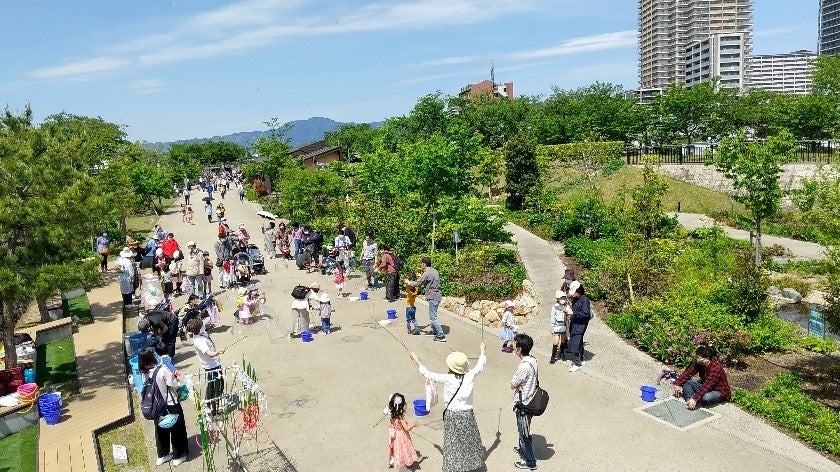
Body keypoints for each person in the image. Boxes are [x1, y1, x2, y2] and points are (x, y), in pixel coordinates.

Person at [409, 343, 487, 472]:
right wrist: (482, 351)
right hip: (467, 415)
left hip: (452, 415)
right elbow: (480, 365)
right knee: (468, 442)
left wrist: (415, 358)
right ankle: (468, 465)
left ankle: (454, 467)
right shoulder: (470, 375)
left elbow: (427, 373)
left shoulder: (447, 378)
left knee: (452, 443)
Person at [139, 350, 189, 467]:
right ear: (152, 357)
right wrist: (176, 377)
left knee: (161, 431)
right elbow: (174, 384)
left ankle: (162, 455)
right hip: (171, 404)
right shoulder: (161, 370)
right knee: (177, 430)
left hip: (157, 407)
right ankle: (179, 455)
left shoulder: (144, 373)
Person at [510, 333, 538, 470]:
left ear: (519, 349)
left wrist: (516, 385)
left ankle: (530, 461)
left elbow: (512, 384)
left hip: (523, 405)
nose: (513, 346)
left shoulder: (523, 367)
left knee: (524, 433)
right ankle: (522, 449)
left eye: (515, 344)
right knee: (523, 430)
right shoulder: (532, 360)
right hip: (531, 399)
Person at [407, 257, 446, 342]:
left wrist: (408, 282)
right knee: (433, 315)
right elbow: (428, 280)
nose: (421, 265)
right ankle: (433, 331)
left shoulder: (427, 273)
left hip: (433, 296)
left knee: (433, 317)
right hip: (437, 295)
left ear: (424, 264)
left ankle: (441, 335)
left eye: (421, 263)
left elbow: (418, 283)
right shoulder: (435, 271)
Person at [386, 393, 420, 471]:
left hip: (395, 435)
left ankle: (396, 460)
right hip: (401, 435)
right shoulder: (400, 416)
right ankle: (402, 467)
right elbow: (406, 428)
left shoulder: (391, 413)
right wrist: (413, 424)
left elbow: (393, 423)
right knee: (403, 449)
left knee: (397, 449)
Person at [567, 281, 591, 372]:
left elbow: (586, 313)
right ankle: (581, 359)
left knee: (575, 342)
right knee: (579, 341)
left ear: (579, 290)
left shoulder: (584, 300)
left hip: (580, 325)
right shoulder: (577, 299)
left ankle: (577, 363)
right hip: (575, 323)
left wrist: (573, 313)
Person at [550, 291, 570, 364]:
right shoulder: (555, 307)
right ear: (558, 298)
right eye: (561, 298)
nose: (563, 299)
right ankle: (553, 356)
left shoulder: (566, 306)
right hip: (557, 326)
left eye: (564, 297)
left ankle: (562, 353)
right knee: (556, 342)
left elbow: (569, 313)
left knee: (563, 341)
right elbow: (552, 317)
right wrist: (552, 327)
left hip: (564, 325)